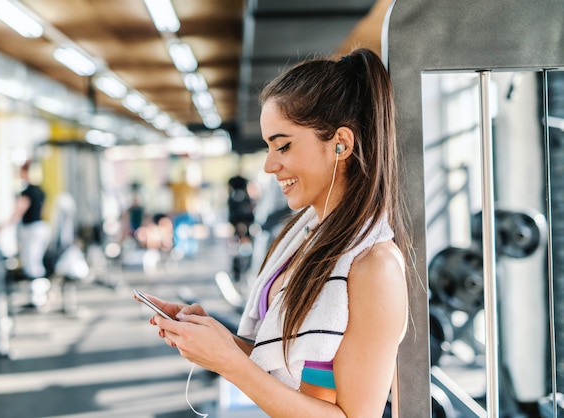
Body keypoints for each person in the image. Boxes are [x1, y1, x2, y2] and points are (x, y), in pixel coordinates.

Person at [140, 48, 412, 417]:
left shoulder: (374, 267)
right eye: (269, 147)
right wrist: (219, 342)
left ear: (341, 144)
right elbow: (289, 364)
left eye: (283, 145)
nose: (270, 165)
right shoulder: (305, 239)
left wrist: (230, 363)